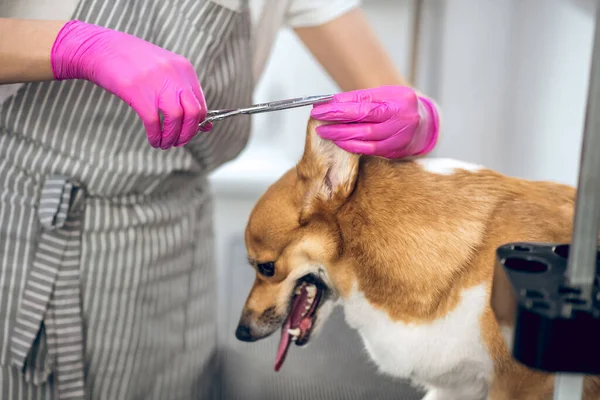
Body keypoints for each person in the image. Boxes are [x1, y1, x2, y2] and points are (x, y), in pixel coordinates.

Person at [0, 0, 440, 399]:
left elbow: (392, 93)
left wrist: (419, 120)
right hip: (24, 227)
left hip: (170, 247)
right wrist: (78, 46)